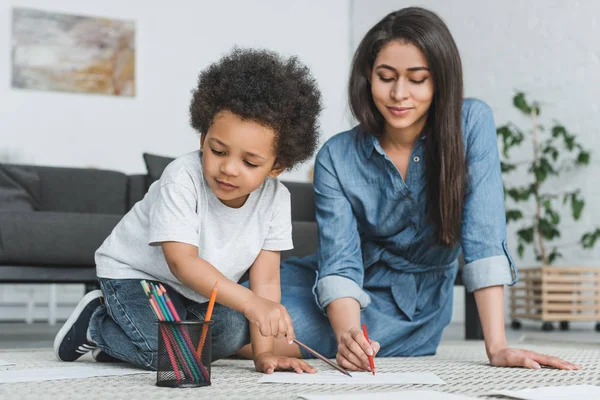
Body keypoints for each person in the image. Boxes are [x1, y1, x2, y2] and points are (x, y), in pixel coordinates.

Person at [240, 7, 581, 371]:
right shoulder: (336, 156)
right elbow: (339, 263)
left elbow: (484, 236)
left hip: (411, 307)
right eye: (385, 77)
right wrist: (348, 336)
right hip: (334, 288)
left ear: (440, 81)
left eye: (417, 79)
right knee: (237, 311)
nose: (399, 94)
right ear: (367, 77)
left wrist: (497, 347)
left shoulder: (472, 123)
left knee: (251, 336)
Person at [53, 48, 322, 374]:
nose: (228, 169)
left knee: (234, 331)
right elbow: (182, 263)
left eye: (250, 162)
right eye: (218, 150)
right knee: (175, 358)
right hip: (139, 278)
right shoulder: (182, 177)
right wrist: (251, 303)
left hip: (194, 293)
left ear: (278, 165)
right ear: (202, 138)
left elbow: (265, 281)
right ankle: (96, 324)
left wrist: (263, 354)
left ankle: (126, 339)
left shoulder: (277, 199)